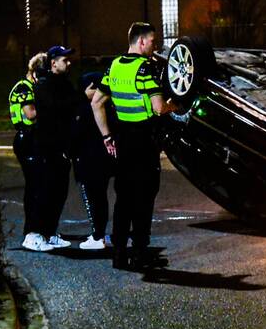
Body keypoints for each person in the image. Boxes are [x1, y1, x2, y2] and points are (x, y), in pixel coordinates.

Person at [91, 22, 176, 270]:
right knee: (144, 197)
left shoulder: (114, 66)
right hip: (144, 141)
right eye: (152, 41)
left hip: (122, 140)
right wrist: (175, 105)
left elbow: (96, 102)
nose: (155, 45)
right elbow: (159, 107)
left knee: (124, 198)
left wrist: (107, 137)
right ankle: (140, 252)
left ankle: (119, 253)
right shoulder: (145, 69)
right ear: (140, 41)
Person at [27, 45, 78, 252]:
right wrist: (81, 97)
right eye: (64, 60)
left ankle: (48, 232)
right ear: (53, 62)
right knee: (46, 191)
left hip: (61, 148)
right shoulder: (44, 86)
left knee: (59, 192)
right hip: (47, 147)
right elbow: (58, 107)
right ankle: (34, 234)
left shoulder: (63, 84)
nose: (68, 62)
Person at [71, 71, 116, 250]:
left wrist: (69, 152)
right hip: (104, 161)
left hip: (88, 162)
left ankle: (97, 236)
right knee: (102, 198)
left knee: (92, 199)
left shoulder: (83, 109)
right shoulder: (109, 108)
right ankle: (102, 234)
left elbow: (75, 135)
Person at [11, 52, 48, 251]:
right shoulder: (24, 88)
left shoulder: (30, 86)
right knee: (34, 187)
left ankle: (38, 230)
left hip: (33, 138)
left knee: (39, 186)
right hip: (27, 138)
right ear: (35, 73)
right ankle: (31, 233)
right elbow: (30, 113)